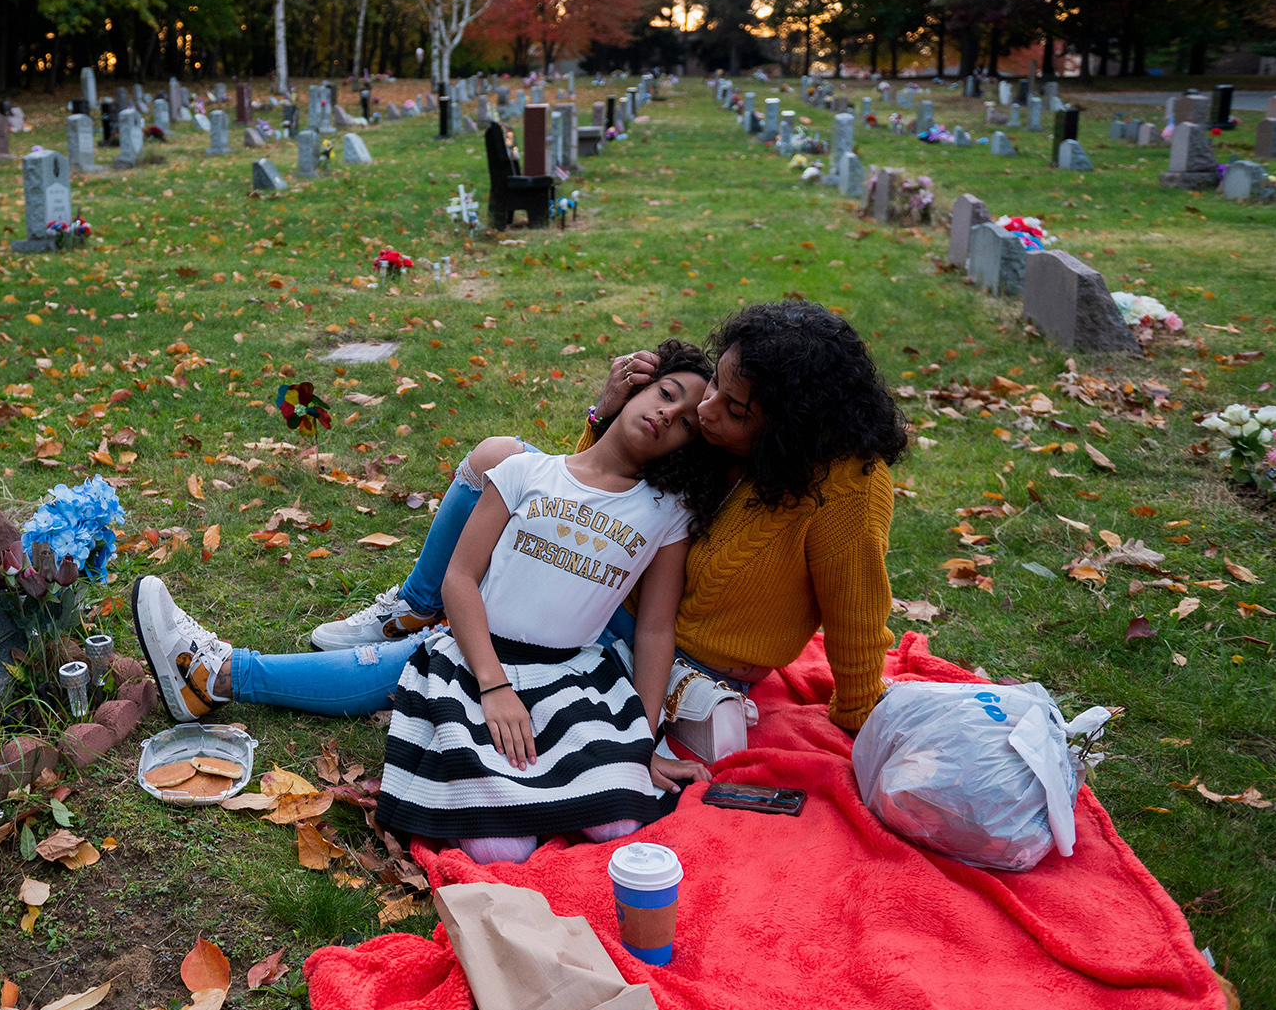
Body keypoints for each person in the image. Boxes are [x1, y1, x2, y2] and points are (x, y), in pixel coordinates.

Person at [133, 342, 725, 862]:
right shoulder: (524, 472)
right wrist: (494, 687)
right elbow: (459, 580)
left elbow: (653, 631)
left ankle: (220, 674)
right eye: (665, 393)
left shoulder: (664, 513)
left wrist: (640, 742)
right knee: (499, 846)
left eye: (683, 422)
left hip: (571, 674)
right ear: (634, 383)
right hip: (475, 657)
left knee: (620, 818)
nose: (667, 414)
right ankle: (219, 673)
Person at [307, 301, 907, 734]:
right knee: (498, 458)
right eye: (713, 386)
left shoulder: (847, 485)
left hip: (666, 646)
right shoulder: (729, 433)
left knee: (447, 657)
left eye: (735, 408)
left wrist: (858, 717)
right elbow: (600, 488)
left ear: (792, 427)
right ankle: (418, 604)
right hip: (615, 589)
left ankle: (245, 673)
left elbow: (857, 607)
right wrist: (604, 416)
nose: (707, 408)